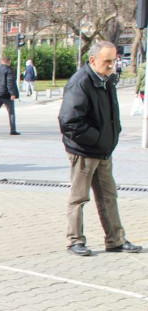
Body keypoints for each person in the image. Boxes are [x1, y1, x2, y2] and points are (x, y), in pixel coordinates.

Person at [58, 41, 142, 257]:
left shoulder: (107, 81)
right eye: (107, 61)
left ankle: (115, 239)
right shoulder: (80, 83)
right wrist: (96, 139)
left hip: (103, 150)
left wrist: (111, 137)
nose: (111, 65)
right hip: (84, 151)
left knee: (108, 196)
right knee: (79, 197)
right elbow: (69, 122)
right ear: (93, 60)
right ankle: (75, 240)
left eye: (113, 61)